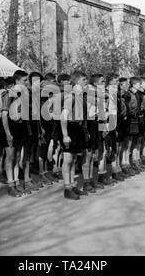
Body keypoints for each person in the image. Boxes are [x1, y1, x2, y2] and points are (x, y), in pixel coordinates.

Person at [60, 70, 89, 200]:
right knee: (67, 159)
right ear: (77, 82)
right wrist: (65, 135)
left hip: (78, 128)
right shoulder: (70, 97)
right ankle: (67, 188)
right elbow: (63, 116)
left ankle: (72, 186)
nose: (86, 83)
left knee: (74, 159)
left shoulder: (79, 97)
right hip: (70, 128)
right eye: (84, 80)